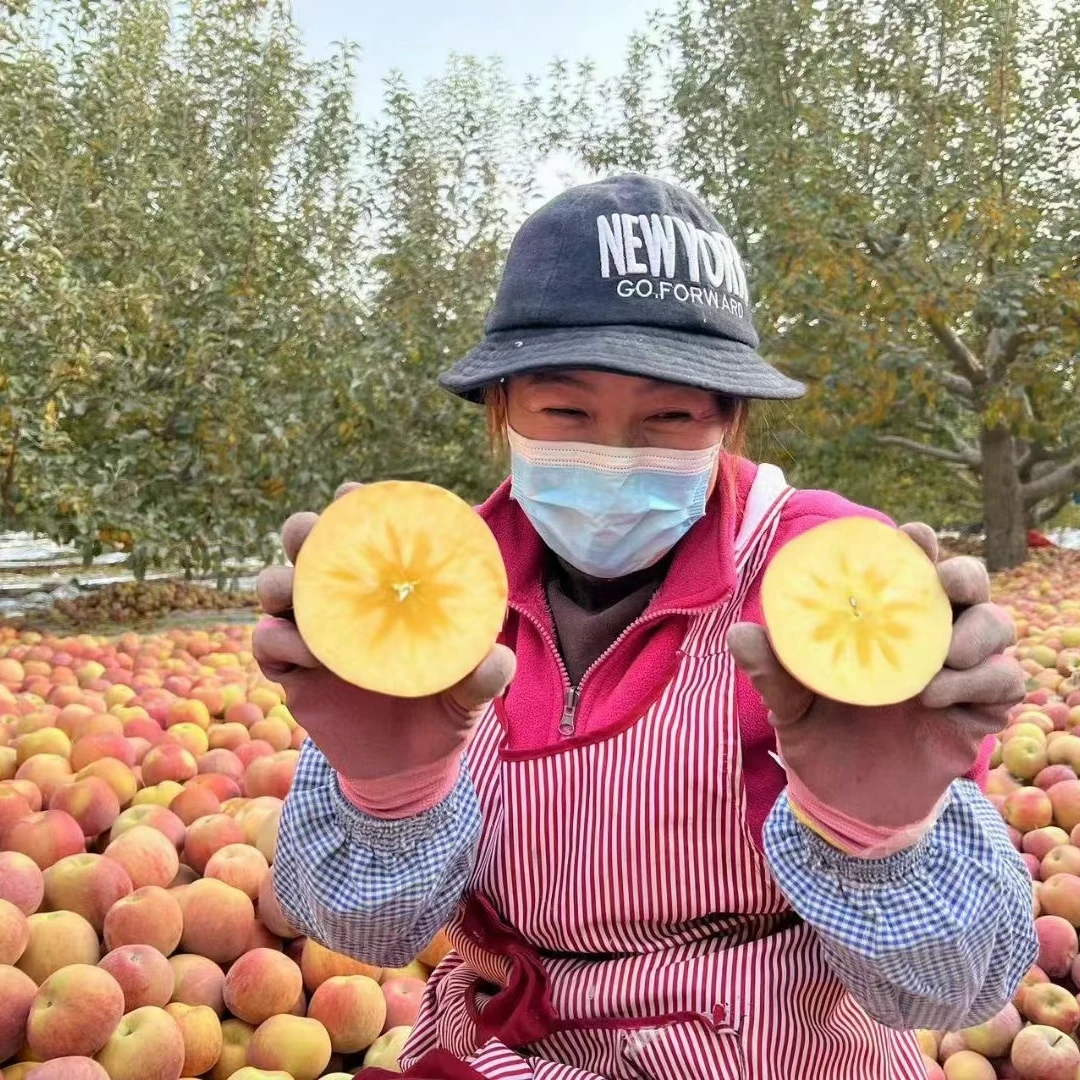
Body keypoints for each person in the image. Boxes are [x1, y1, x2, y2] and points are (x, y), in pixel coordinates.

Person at [255, 175, 1036, 1080]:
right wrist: (384, 795)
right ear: (503, 409)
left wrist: (884, 841)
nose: (616, 456)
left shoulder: (836, 591)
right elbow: (368, 936)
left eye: (668, 415)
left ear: (728, 422)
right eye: (566, 410)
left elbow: (957, 996)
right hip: (509, 1052)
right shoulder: (420, 595)